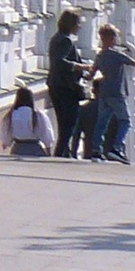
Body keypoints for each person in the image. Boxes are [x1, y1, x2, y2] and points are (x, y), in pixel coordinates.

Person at [89, 23, 135, 164]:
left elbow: (92, 72)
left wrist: (85, 74)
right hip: (117, 93)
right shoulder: (116, 55)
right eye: (115, 37)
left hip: (104, 93)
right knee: (125, 121)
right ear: (112, 39)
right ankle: (116, 147)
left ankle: (96, 150)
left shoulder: (100, 56)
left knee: (102, 122)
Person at [46, 10, 90, 159]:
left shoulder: (55, 39)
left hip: (55, 85)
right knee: (70, 122)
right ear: (71, 24)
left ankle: (65, 152)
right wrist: (81, 67)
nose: (80, 27)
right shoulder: (65, 40)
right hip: (66, 88)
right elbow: (60, 62)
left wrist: (83, 71)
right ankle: (60, 153)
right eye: (78, 23)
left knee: (63, 122)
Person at [6, 85, 52, 159]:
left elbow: (6, 133)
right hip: (35, 148)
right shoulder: (38, 114)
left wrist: (6, 142)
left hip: (18, 148)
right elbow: (46, 132)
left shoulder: (12, 114)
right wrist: (48, 149)